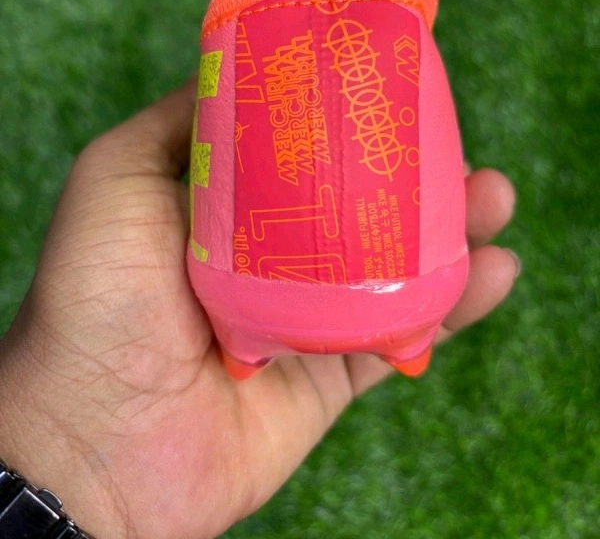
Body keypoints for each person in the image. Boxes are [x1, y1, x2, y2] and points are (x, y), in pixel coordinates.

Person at [0, 77, 519, 539]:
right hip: (373, 296)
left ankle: (282, 346)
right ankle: (404, 341)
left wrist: (70, 464)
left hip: (247, 306)